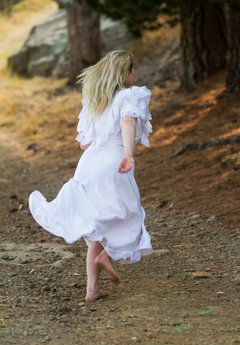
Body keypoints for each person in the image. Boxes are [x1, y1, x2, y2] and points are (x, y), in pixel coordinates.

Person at [29, 50, 153, 302]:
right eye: (132, 69)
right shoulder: (129, 96)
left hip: (89, 163)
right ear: (125, 73)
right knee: (129, 213)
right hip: (113, 162)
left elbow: (85, 143)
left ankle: (92, 290)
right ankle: (105, 256)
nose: (134, 74)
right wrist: (128, 153)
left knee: (96, 224)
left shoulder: (95, 101)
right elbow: (128, 121)